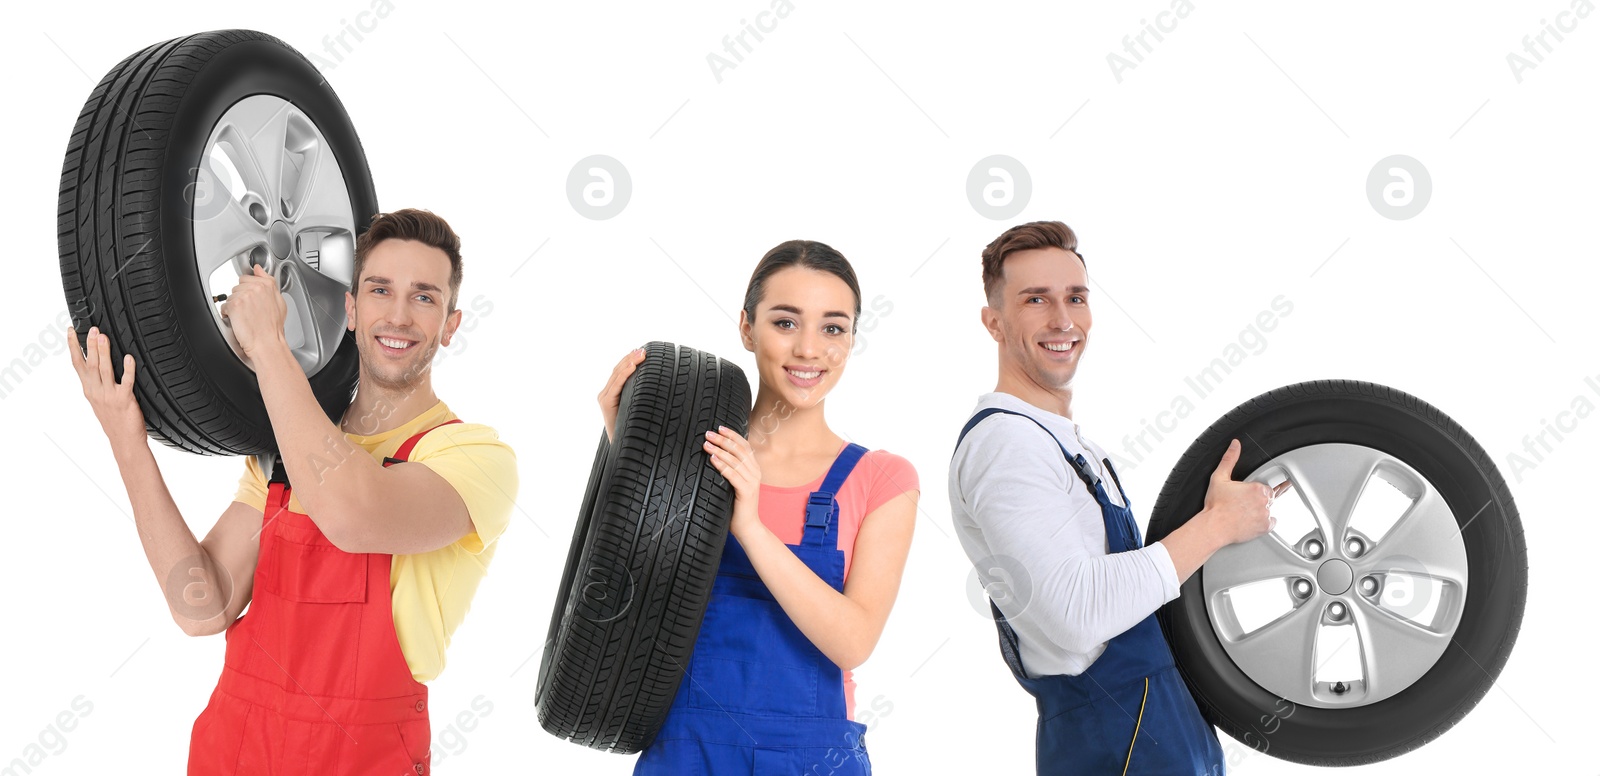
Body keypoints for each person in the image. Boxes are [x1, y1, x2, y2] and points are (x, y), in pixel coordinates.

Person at [67, 209, 518, 775]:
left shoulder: (472, 457)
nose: (398, 316)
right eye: (379, 290)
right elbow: (200, 608)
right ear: (351, 309)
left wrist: (269, 347)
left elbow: (352, 513)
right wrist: (126, 436)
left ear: (451, 324)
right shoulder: (283, 459)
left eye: (424, 297)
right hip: (233, 753)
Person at [947, 221, 1289, 775]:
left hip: (1162, 727)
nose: (1062, 320)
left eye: (1075, 298)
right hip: (1113, 742)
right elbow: (1075, 615)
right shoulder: (1006, 445)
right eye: (1035, 300)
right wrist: (1217, 526)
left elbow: (1132, 592)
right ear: (994, 322)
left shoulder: (1068, 443)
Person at [598, 240, 920, 774]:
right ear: (747, 328)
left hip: (811, 759)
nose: (809, 350)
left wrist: (748, 525)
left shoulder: (882, 477)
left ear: (852, 340)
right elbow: (626, 605)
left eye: (833, 328)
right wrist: (630, 448)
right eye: (786, 323)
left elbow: (853, 640)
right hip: (685, 749)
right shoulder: (689, 458)